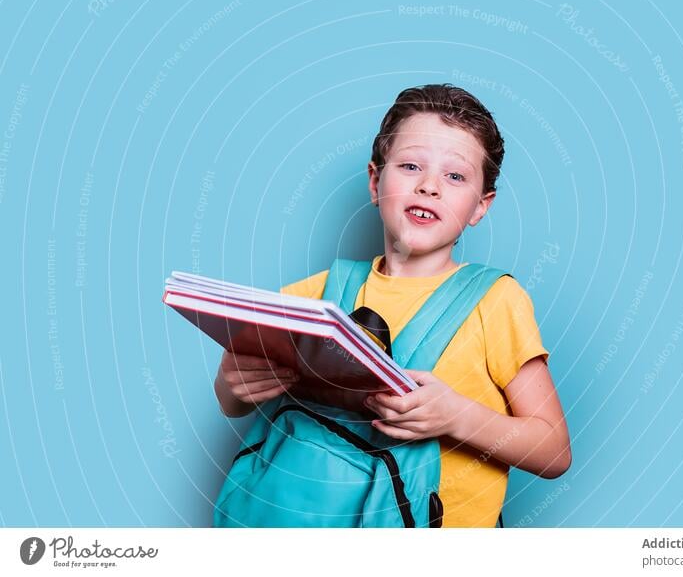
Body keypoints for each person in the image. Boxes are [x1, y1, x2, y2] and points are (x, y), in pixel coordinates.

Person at [213, 83, 572, 527]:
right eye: (410, 166)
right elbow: (234, 403)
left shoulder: (494, 302)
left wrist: (455, 416)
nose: (429, 186)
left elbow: (553, 451)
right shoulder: (312, 295)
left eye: (455, 176)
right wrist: (232, 386)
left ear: (480, 207)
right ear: (374, 181)